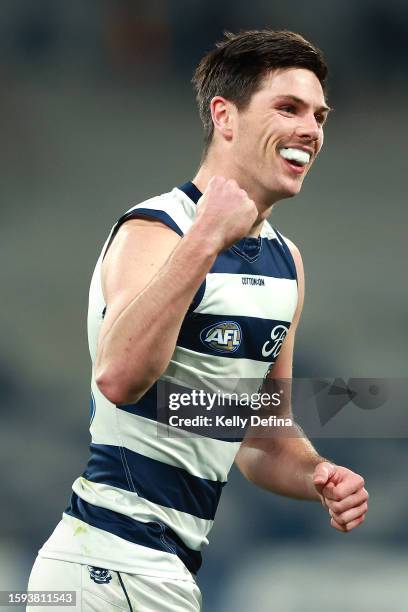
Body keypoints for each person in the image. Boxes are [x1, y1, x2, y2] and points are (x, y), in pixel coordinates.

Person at [28, 29, 369, 612]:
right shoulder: (155, 230)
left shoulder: (288, 264)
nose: (310, 130)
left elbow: (260, 432)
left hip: (157, 571)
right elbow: (118, 376)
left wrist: (317, 473)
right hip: (107, 565)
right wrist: (207, 237)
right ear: (225, 116)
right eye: (287, 108)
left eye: (319, 114)